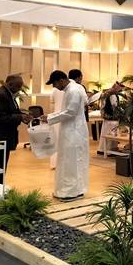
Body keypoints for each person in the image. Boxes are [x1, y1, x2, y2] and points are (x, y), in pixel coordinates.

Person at [40, 70, 89, 202]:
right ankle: (70, 190)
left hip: (74, 132)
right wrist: (50, 116)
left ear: (61, 80)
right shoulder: (73, 88)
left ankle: (70, 192)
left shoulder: (73, 90)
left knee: (71, 161)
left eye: (54, 84)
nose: (54, 87)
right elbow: (68, 110)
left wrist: (49, 118)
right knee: (69, 160)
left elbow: (70, 112)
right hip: (71, 130)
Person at [0, 74, 31, 184]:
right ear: (10, 84)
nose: (20, 88)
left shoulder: (8, 94)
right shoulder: (0, 95)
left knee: (0, 168)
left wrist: (23, 116)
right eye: (18, 86)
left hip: (4, 137)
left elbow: (11, 112)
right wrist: (20, 117)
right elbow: (0, 117)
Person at [97, 82, 124, 155]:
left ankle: (102, 149)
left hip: (107, 118)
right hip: (112, 118)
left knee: (105, 133)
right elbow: (114, 106)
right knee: (111, 135)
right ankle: (109, 150)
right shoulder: (113, 95)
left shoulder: (107, 93)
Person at [49, 84, 65, 170]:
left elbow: (52, 104)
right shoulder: (70, 90)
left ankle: (54, 163)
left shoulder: (54, 90)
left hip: (56, 117)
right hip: (64, 117)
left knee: (55, 141)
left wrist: (52, 116)